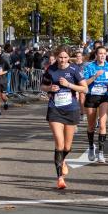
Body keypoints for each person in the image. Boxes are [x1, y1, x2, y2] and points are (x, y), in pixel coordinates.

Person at [40, 46, 88, 190]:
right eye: (60, 57)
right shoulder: (51, 69)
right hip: (55, 109)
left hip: (71, 110)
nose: (62, 60)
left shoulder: (74, 70)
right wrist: (49, 89)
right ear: (56, 56)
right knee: (59, 145)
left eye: (65, 57)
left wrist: (69, 85)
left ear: (69, 57)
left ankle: (63, 160)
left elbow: (84, 88)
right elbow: (43, 86)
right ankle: (60, 177)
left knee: (67, 147)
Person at [82, 46, 108, 163]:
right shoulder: (90, 67)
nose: (102, 55)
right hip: (91, 97)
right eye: (100, 53)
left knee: (102, 125)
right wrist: (95, 76)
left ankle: (101, 152)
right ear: (96, 54)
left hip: (104, 97)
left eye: (104, 53)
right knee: (91, 126)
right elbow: (84, 83)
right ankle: (91, 147)